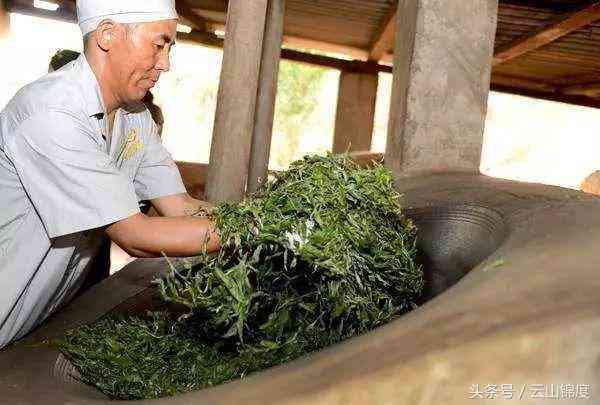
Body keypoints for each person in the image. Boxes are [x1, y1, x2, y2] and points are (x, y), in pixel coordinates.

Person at [0, 0, 220, 349]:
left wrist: (266, 219)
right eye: (159, 44)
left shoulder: (135, 117)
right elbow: (135, 234)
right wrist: (253, 233)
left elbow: (178, 205)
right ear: (107, 35)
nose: (165, 63)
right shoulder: (51, 113)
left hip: (27, 321)